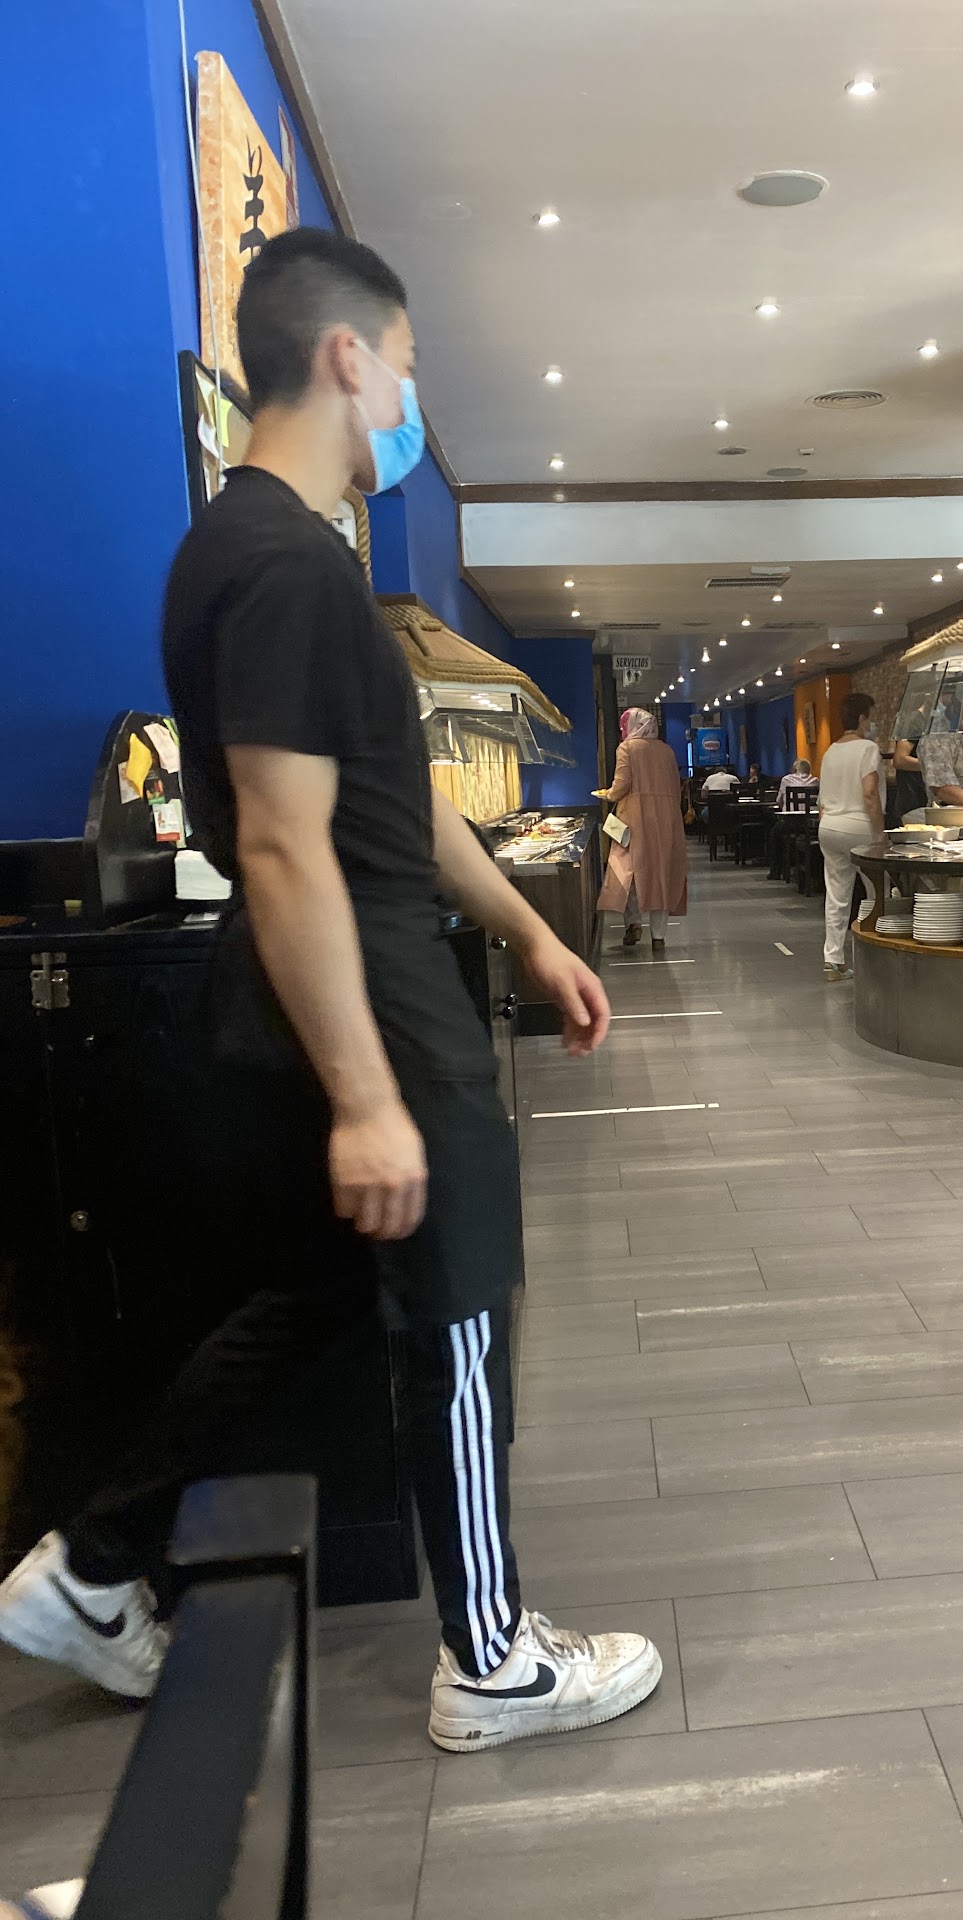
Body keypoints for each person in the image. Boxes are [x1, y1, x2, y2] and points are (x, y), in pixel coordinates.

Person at [0, 229, 661, 1754]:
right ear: (348, 357)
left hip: (330, 994)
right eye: (407, 370)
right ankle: (491, 1659)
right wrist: (369, 1096)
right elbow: (287, 846)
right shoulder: (283, 565)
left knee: (319, 1296)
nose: (409, 408)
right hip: (371, 1008)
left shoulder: (262, 556)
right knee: (457, 1306)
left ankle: (96, 1564)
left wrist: (531, 932)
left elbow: (396, 798)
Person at [597, 708, 687, 952]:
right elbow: (676, 787)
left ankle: (633, 923)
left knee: (625, 871)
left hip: (633, 819)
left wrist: (608, 795)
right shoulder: (667, 750)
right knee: (661, 874)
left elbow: (621, 784)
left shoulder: (627, 748)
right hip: (667, 820)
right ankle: (658, 936)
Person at [817, 691, 885, 981]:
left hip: (829, 826)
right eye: (870, 717)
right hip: (859, 826)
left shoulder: (830, 751)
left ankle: (833, 961)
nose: (871, 723)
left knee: (837, 896)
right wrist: (879, 834)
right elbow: (870, 793)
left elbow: (822, 802)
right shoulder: (868, 748)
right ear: (861, 718)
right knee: (877, 892)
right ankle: (877, 956)